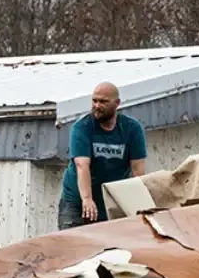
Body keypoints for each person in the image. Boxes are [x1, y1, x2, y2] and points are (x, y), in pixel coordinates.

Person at [58, 82, 147, 230]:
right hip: (77, 201)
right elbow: (82, 165)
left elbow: (138, 169)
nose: (97, 105)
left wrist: (138, 204)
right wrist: (86, 199)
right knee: (73, 245)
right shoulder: (82, 127)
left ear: (117, 103)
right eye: (95, 100)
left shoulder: (132, 129)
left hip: (111, 200)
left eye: (103, 102)